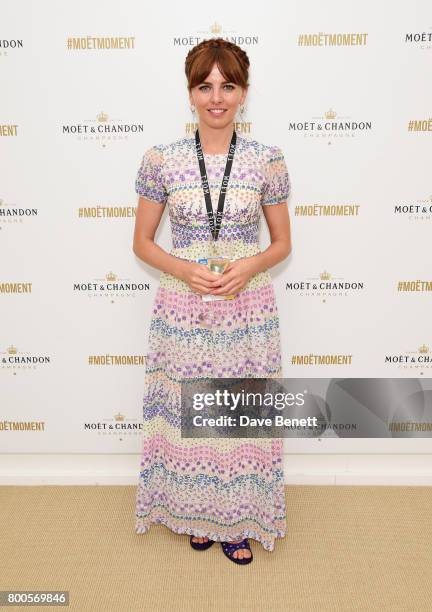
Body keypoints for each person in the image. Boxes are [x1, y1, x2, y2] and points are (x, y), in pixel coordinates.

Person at [133, 38, 292, 565]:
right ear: (191, 94)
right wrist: (185, 269)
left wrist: (248, 267)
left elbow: (282, 244)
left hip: (247, 311)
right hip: (185, 309)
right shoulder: (162, 159)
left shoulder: (268, 160)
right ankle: (195, 511)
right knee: (191, 416)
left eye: (228, 86)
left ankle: (238, 520)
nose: (216, 97)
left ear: (244, 93)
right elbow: (143, 242)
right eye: (205, 86)